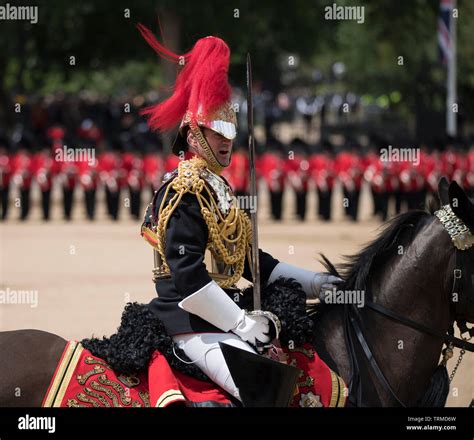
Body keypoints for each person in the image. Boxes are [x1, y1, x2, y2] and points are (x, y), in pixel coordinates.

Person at [137, 25, 341, 404]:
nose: (228, 141)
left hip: (224, 316)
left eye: (231, 132)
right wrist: (242, 323)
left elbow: (254, 264)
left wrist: (318, 283)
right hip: (192, 325)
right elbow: (189, 279)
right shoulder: (184, 191)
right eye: (218, 133)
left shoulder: (219, 188)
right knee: (266, 391)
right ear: (194, 135)